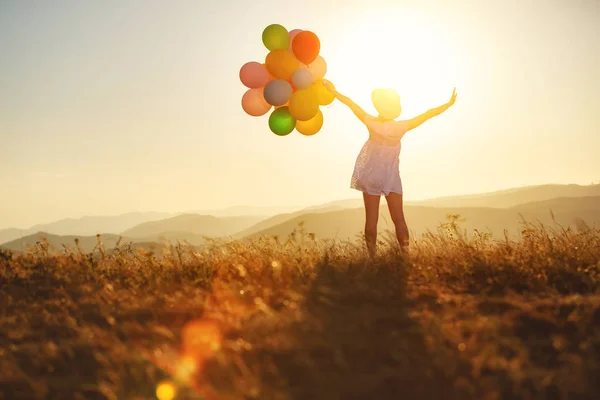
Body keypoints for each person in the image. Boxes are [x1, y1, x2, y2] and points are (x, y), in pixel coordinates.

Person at [323, 81, 457, 257]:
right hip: (392, 177)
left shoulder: (371, 122)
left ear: (379, 106)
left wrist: (333, 91)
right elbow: (427, 115)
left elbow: (350, 103)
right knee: (399, 219)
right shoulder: (401, 127)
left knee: (371, 220)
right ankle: (405, 255)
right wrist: (448, 104)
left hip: (371, 176)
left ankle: (372, 258)